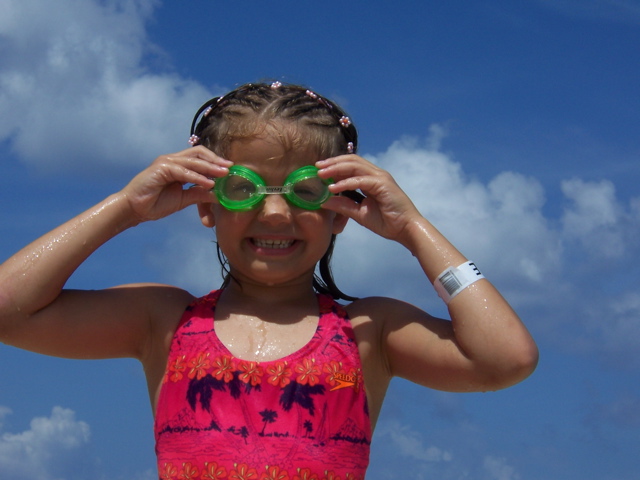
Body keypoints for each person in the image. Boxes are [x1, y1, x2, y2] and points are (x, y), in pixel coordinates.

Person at [0, 82, 538, 479]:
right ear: (206, 204)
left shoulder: (369, 332)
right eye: (243, 188)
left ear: (341, 210)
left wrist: (413, 228)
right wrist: (125, 207)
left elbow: (505, 359)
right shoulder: (163, 322)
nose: (276, 214)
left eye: (305, 192)